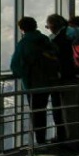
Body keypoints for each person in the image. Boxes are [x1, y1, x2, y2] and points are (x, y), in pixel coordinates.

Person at [10, 16, 58, 145]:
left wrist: (22, 73)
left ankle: (40, 141)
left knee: (36, 112)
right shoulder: (45, 39)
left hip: (32, 83)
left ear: (22, 29)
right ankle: (44, 139)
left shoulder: (24, 43)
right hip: (48, 81)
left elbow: (15, 65)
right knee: (42, 110)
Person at [46, 14, 79, 149]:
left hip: (69, 78)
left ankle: (72, 141)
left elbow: (58, 60)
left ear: (53, 25)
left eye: (48, 26)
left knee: (70, 111)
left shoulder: (58, 39)